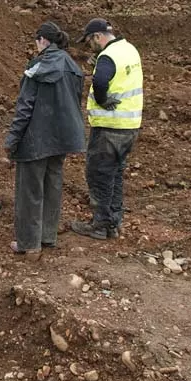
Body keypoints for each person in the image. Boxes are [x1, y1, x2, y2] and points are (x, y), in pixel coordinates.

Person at [4, 21, 87, 255]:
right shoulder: (72, 65)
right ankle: (47, 237)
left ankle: (29, 244)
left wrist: (12, 140)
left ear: (42, 40)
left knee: (30, 191)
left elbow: (25, 107)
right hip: (62, 138)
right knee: (52, 186)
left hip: (36, 138)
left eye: (36, 41)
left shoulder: (39, 66)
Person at [71, 19, 143, 241]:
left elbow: (101, 81)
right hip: (129, 126)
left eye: (90, 41)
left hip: (110, 127)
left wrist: (101, 100)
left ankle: (100, 225)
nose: (89, 46)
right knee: (116, 173)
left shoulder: (108, 56)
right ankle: (114, 221)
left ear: (98, 37)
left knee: (99, 174)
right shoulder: (129, 49)